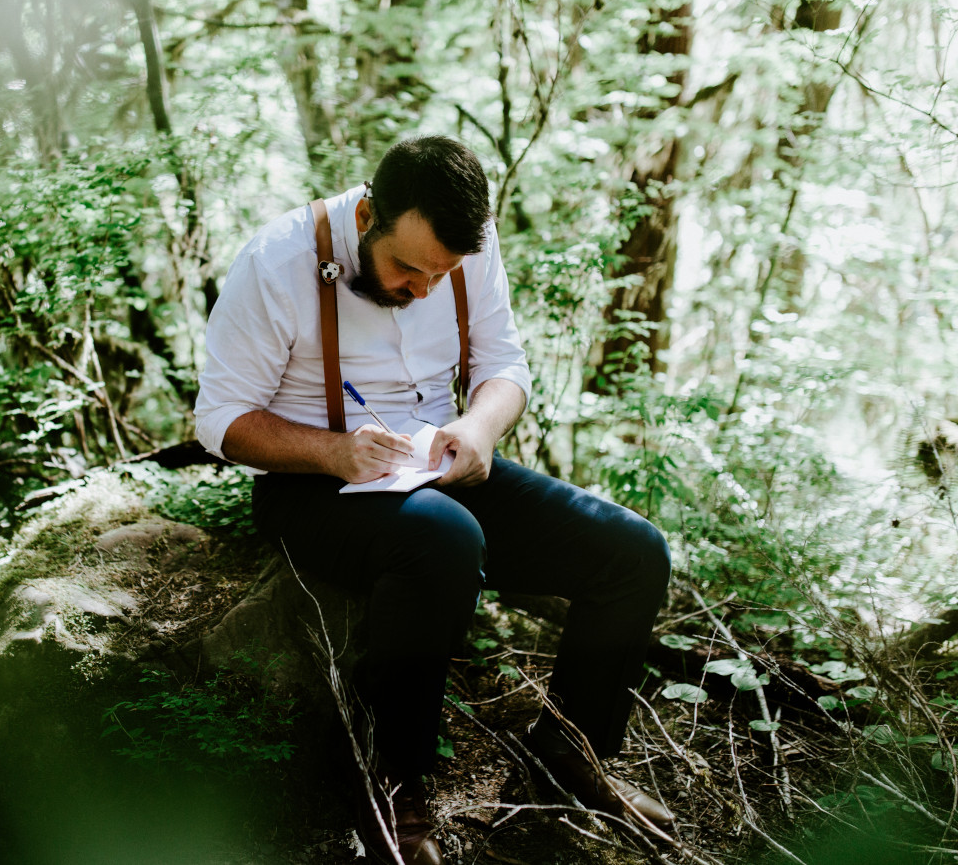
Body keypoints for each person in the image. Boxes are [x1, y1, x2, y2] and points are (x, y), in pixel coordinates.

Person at [194, 136, 674, 865]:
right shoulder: (275, 263)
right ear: (367, 215)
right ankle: (395, 782)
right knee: (444, 542)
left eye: (441, 273)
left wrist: (480, 427)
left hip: (435, 464)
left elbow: (503, 363)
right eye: (407, 269)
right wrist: (332, 450)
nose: (424, 288)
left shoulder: (466, 249)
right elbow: (220, 421)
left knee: (633, 551)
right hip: (312, 486)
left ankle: (570, 749)